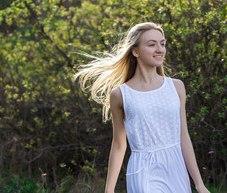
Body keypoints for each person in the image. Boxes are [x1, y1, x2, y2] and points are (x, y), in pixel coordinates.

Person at [74, 22, 210, 193]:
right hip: (143, 170)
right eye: (152, 44)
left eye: (162, 43)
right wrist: (109, 190)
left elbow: (183, 135)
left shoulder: (176, 87)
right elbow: (118, 145)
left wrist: (199, 183)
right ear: (135, 51)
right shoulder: (120, 95)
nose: (160, 49)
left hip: (176, 168)